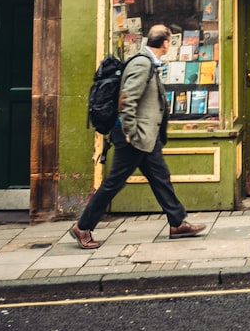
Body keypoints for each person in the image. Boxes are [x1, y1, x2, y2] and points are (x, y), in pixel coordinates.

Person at [70, 24, 206, 248]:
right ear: (165, 43)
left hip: (145, 136)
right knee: (113, 183)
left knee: (160, 177)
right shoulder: (142, 63)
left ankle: (177, 222)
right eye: (169, 41)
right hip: (133, 137)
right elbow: (127, 100)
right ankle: (82, 227)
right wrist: (131, 132)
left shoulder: (148, 62)